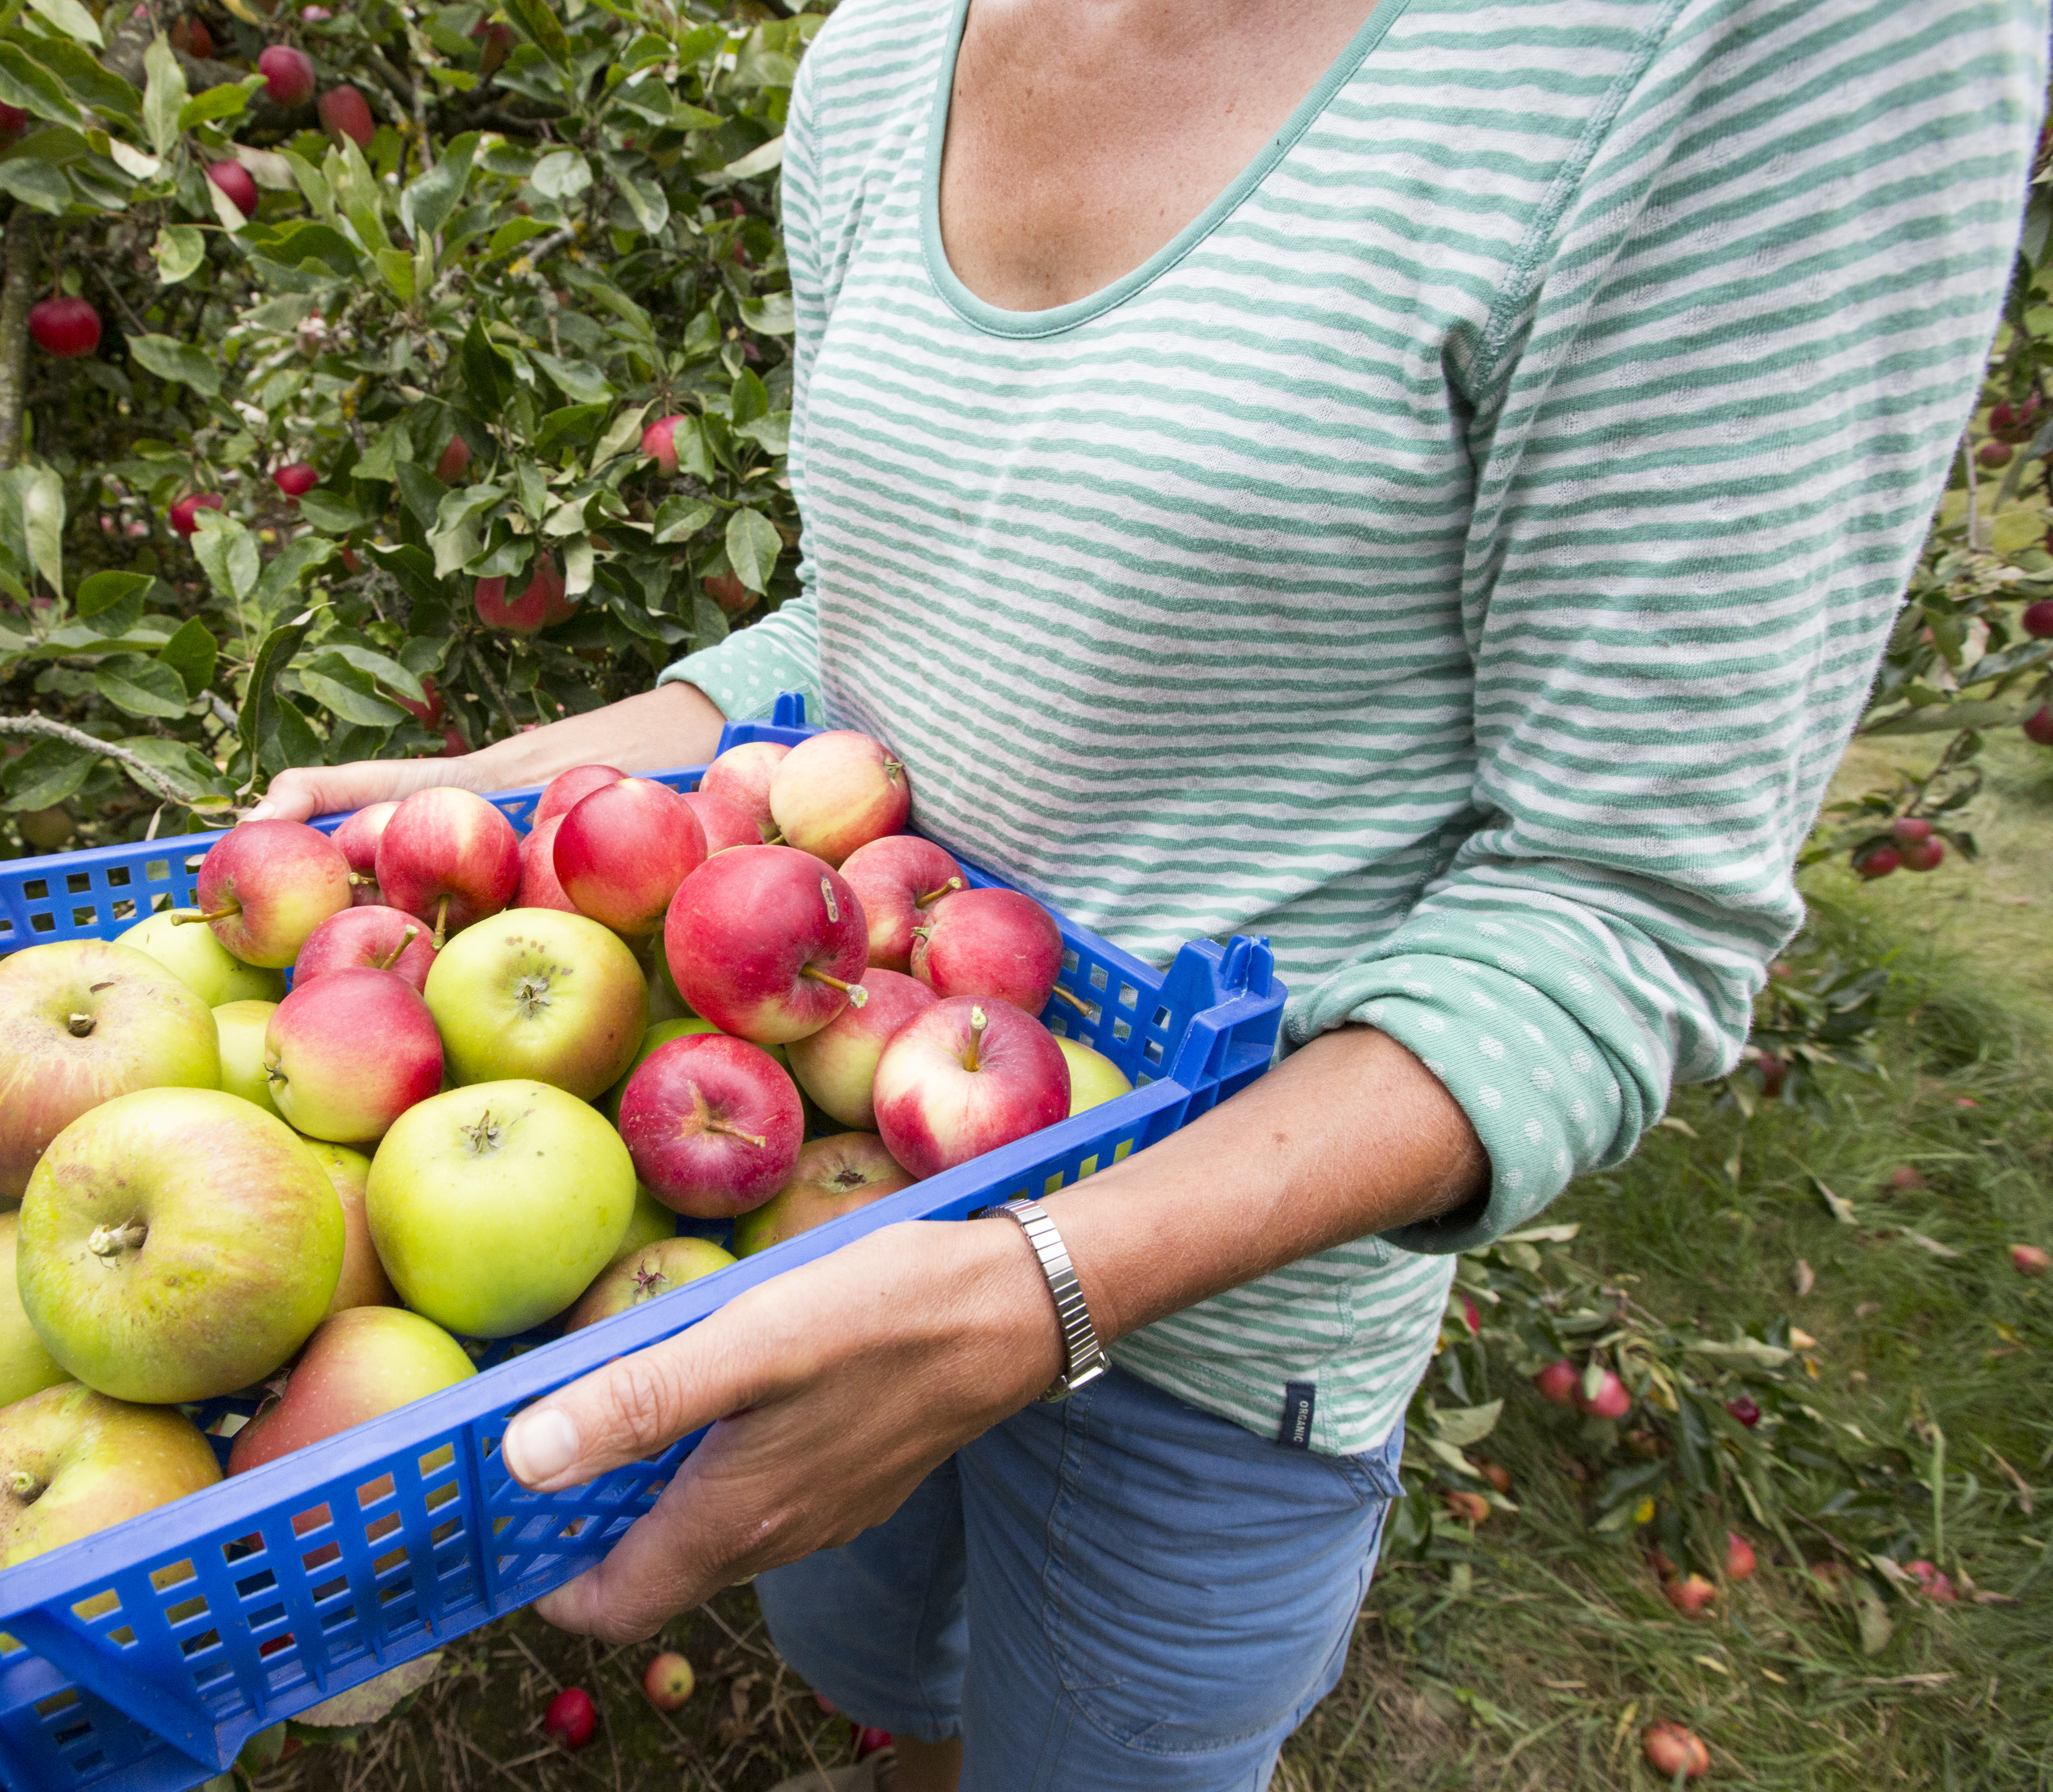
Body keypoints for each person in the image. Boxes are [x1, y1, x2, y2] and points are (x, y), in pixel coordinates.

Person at [250, 0, 2046, 1783]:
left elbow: (1611, 911)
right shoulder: (887, 47)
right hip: (811, 1182)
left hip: (1219, 1312)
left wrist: (1042, 1289)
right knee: (884, 1667)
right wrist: (513, 806)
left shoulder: (1783, 37)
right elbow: (868, 638)